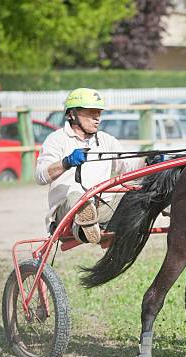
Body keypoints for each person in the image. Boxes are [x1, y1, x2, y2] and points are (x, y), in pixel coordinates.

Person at [35, 88, 142, 243]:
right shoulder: (56, 139)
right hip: (66, 215)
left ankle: (93, 226)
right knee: (76, 195)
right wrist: (66, 162)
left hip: (102, 207)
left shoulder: (106, 140)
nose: (97, 118)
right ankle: (85, 229)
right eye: (92, 113)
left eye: (99, 113)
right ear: (72, 114)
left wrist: (148, 161)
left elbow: (127, 164)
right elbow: (40, 176)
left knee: (139, 192)